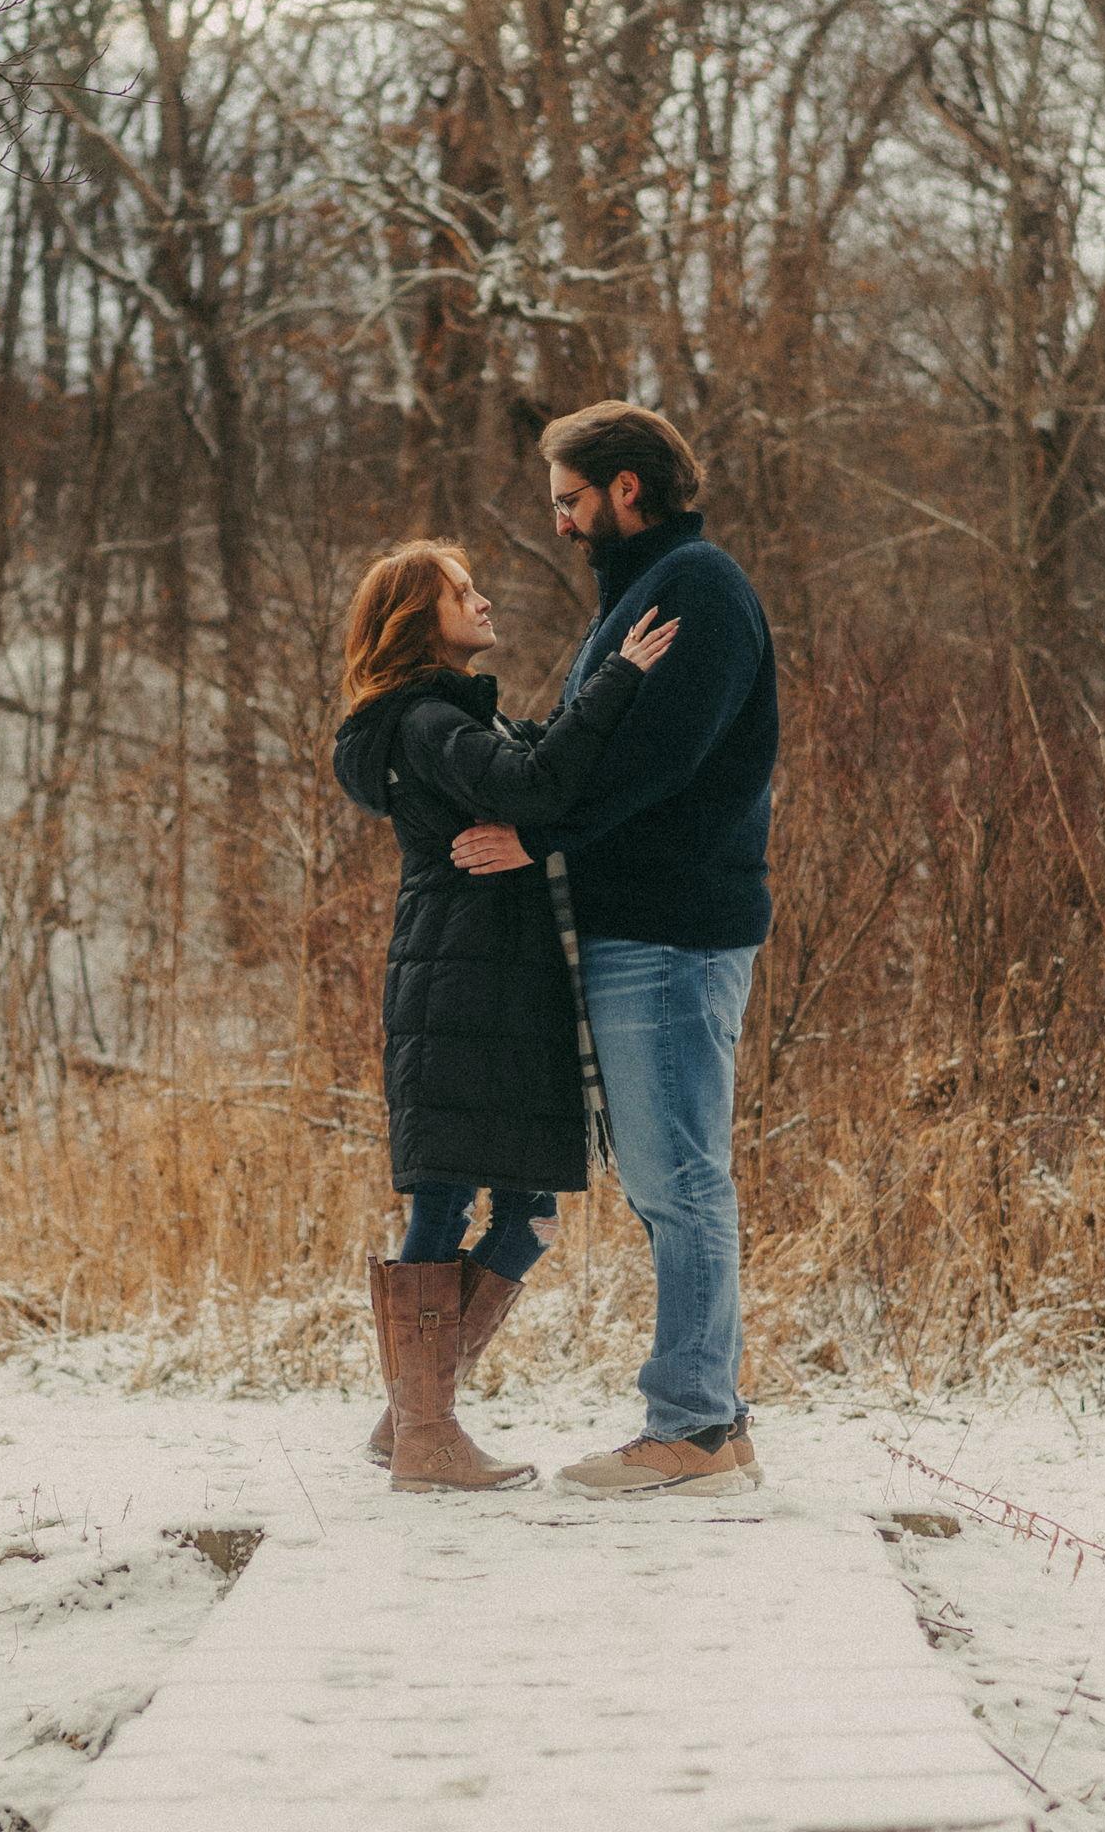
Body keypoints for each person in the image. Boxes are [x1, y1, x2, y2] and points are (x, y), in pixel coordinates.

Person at [451, 403, 777, 1498]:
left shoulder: (697, 587)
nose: (560, 524)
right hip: (644, 925)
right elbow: (600, 738)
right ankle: (714, 1424)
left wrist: (537, 832)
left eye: (569, 500)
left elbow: (661, 762)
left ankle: (686, 1430)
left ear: (625, 487)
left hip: (673, 929)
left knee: (678, 1179)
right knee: (667, 1180)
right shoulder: (654, 591)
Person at [332, 539, 679, 1493]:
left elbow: (536, 762)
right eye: (463, 592)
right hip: (462, 984)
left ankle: (409, 1420)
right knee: (445, 1198)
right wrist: (615, 681)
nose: (484, 602)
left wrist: (597, 698)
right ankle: (427, 1438)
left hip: (490, 981)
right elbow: (533, 786)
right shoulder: (425, 722)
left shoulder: (445, 720)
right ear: (418, 618)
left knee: (527, 1211)